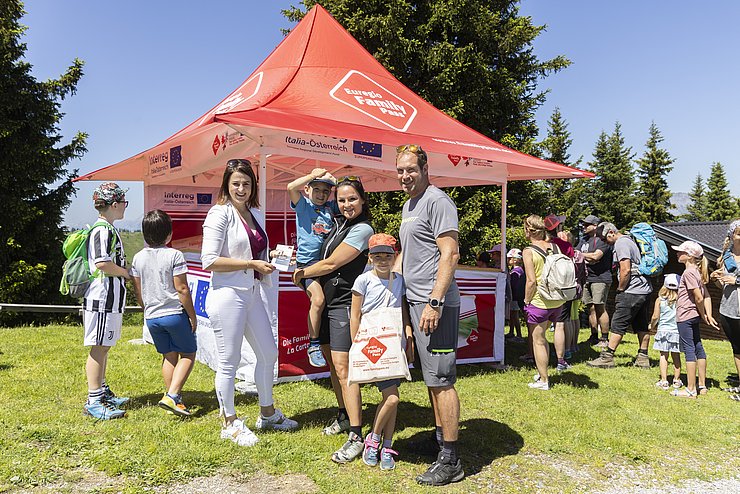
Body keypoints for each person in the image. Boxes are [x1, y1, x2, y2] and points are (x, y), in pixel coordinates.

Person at [201, 159, 298, 447]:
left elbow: (256, 253)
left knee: (268, 354)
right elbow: (209, 260)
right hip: (227, 294)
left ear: (253, 185)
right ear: (226, 186)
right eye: (236, 184)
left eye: (246, 183)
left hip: (253, 291)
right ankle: (229, 422)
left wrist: (273, 262)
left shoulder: (254, 212)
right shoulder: (219, 214)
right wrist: (249, 263)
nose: (241, 188)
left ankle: (267, 414)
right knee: (228, 361)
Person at [293, 176, 374, 463]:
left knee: (344, 369)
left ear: (362, 200)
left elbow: (331, 263)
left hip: (343, 303)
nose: (347, 204)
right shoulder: (339, 223)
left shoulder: (363, 229)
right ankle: (343, 415)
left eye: (352, 199)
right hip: (327, 300)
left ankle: (356, 434)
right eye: (341, 199)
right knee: (331, 363)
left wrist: (302, 272)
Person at [397, 144, 464, 486]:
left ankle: (451, 459)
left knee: (441, 379)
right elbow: (408, 255)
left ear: (424, 169)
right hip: (417, 303)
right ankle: (440, 439)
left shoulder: (438, 201)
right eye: (400, 171)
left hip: (434, 306)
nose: (405, 176)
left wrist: (434, 303)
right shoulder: (410, 205)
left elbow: (449, 254)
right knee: (431, 380)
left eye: (410, 169)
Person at [350, 233, 414, 471]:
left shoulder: (399, 280)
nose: (383, 260)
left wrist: (409, 339)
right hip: (372, 345)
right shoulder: (363, 280)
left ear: (394, 256)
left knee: (392, 399)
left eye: (387, 255)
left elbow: (403, 312)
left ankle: (387, 446)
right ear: (370, 257)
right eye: (377, 256)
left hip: (395, 344)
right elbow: (355, 314)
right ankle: (373, 439)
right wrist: (355, 345)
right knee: (393, 396)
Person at [131, 209, 198, 416]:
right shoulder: (174, 255)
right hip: (174, 314)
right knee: (188, 353)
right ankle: (173, 396)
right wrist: (192, 316)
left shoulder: (137, 258)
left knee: (169, 356)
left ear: (144, 234)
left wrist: (146, 309)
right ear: (169, 234)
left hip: (152, 317)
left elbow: (138, 290)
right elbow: (182, 289)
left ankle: (172, 400)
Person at [82, 182, 131, 420]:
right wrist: (125, 272)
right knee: (99, 347)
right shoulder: (102, 230)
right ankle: (94, 399)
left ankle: (101, 392)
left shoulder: (107, 228)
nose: (125, 207)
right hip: (102, 296)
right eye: (124, 203)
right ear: (114, 204)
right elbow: (102, 263)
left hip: (109, 297)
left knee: (104, 345)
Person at [287, 167, 339, 368]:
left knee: (329, 304)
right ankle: (313, 345)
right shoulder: (304, 206)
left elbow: (350, 195)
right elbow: (291, 187)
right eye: (317, 189)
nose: (321, 194)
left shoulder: (329, 210)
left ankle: (328, 341)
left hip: (325, 265)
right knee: (318, 300)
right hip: (306, 266)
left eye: (326, 191)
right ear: (307, 189)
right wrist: (313, 175)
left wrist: (334, 179)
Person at [587, 222, 653, 369]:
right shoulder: (631, 240)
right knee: (641, 324)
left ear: (611, 232)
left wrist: (621, 289)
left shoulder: (621, 243)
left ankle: (607, 357)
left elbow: (625, 269)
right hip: (644, 289)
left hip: (632, 290)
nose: (605, 243)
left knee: (618, 324)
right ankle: (643, 358)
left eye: (604, 239)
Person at [670, 241, 720, 398]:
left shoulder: (688, 273)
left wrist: (704, 314)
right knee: (698, 346)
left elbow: (699, 297)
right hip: (693, 316)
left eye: (680, 251)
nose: (677, 254)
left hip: (685, 316)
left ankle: (691, 389)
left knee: (689, 349)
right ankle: (702, 386)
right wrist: (708, 315)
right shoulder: (697, 272)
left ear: (689, 255)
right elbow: (706, 295)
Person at [522, 215, 565, 390]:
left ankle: (544, 380)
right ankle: (542, 372)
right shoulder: (555, 247)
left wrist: (526, 300)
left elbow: (531, 281)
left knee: (538, 340)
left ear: (528, 230)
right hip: (557, 300)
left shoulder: (528, 251)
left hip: (539, 301)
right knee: (543, 337)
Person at [711, 219, 740, 401]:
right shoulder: (725, 257)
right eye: (739, 233)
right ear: (732, 235)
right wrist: (716, 278)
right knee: (737, 348)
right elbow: (723, 286)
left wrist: (736, 281)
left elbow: (733, 282)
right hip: (729, 309)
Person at [576, 215, 612, 348]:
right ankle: (593, 335)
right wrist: (588, 257)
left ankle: (604, 338)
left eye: (587, 225)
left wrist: (583, 256)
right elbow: (576, 253)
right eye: (583, 224)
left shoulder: (602, 240)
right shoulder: (583, 240)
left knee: (599, 306)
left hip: (600, 278)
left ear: (595, 226)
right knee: (590, 307)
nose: (584, 227)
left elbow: (596, 256)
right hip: (586, 277)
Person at [544, 214, 575, 371]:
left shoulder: (543, 244)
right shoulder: (565, 245)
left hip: (546, 287)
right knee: (561, 324)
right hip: (564, 288)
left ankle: (534, 353)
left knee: (540, 326)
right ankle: (561, 359)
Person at [650, 273, 683, 391]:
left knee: (663, 355)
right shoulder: (681, 301)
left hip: (663, 330)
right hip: (677, 332)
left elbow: (655, 316)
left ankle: (664, 380)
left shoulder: (660, 300)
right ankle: (677, 380)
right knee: (676, 355)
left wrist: (652, 326)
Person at [506, 248, 525, 342]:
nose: (507, 260)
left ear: (514, 260)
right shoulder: (521, 270)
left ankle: (519, 335)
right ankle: (511, 332)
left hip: (514, 297)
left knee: (514, 316)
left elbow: (513, 285)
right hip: (517, 297)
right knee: (513, 315)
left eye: (509, 258)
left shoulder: (515, 272)